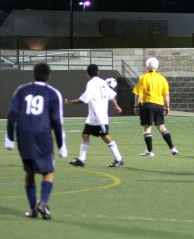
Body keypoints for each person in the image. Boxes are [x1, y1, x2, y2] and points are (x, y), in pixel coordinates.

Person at [4, 62, 67, 219]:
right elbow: (56, 120)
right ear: (49, 76)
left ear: (33, 74)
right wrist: (61, 145)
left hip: (24, 134)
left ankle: (32, 209)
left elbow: (12, 113)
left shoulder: (22, 90)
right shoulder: (53, 93)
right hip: (42, 134)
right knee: (48, 171)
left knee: (29, 171)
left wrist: (9, 138)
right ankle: (43, 202)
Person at [65, 64, 124, 167]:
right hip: (93, 117)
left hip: (99, 117)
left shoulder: (91, 84)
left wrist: (70, 102)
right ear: (98, 72)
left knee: (105, 136)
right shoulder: (103, 82)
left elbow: (84, 99)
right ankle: (81, 160)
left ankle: (118, 158)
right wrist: (116, 106)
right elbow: (111, 95)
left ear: (87, 73)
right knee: (85, 135)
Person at [133, 57, 179, 156]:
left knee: (147, 128)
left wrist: (136, 106)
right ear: (157, 67)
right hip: (159, 105)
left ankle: (150, 151)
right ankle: (173, 148)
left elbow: (138, 94)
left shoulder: (143, 78)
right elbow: (166, 95)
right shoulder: (162, 78)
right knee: (162, 127)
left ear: (147, 66)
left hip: (147, 105)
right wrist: (167, 107)